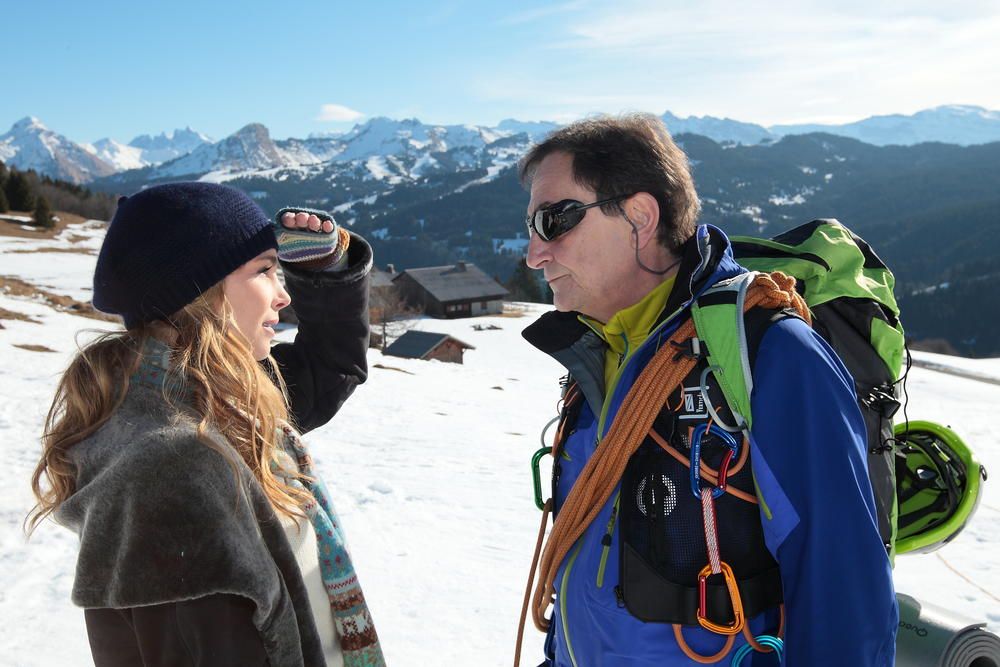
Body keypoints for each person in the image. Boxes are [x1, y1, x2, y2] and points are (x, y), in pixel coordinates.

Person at [517, 115, 897, 666]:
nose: (534, 253)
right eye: (532, 226)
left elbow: (844, 594)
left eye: (554, 221)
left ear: (640, 217)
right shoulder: (601, 357)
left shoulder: (772, 356)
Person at [27, 182, 386, 667]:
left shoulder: (222, 401)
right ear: (201, 290)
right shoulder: (172, 464)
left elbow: (329, 370)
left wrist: (324, 274)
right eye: (265, 271)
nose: (282, 296)